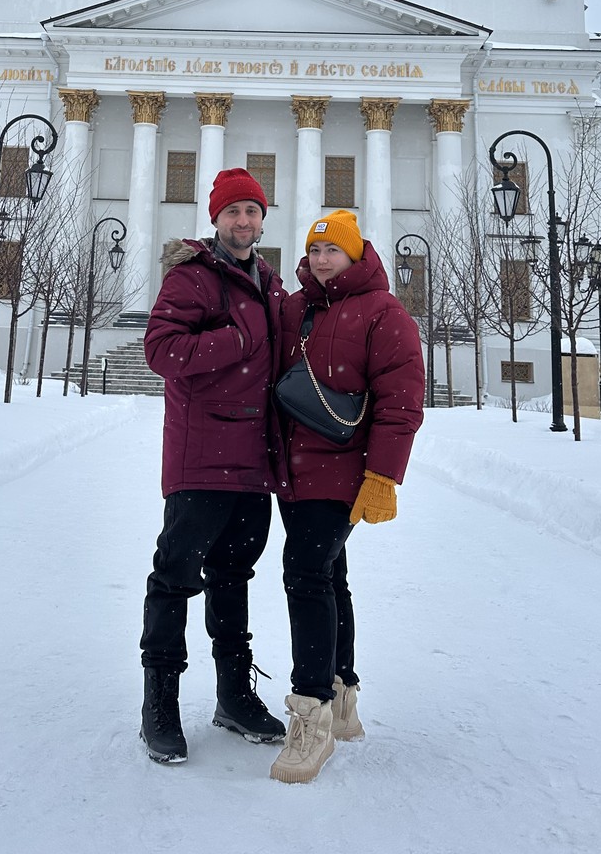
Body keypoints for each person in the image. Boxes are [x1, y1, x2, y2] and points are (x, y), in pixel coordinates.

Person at [269, 209, 425, 784]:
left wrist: (382, 477)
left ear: (356, 254)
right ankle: (342, 701)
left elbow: (401, 400)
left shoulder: (384, 313)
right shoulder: (296, 308)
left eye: (333, 249)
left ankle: (310, 714)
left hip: (342, 471)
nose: (322, 258)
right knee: (329, 575)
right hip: (294, 470)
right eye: (314, 251)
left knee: (305, 574)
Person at [139, 167, 287, 764]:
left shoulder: (271, 284)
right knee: (175, 579)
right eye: (233, 212)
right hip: (201, 461)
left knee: (234, 578)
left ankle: (233, 697)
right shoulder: (192, 279)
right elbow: (160, 351)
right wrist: (237, 342)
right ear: (216, 218)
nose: (243, 222)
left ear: (262, 218)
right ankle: (160, 706)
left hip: (254, 461)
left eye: (252, 211)